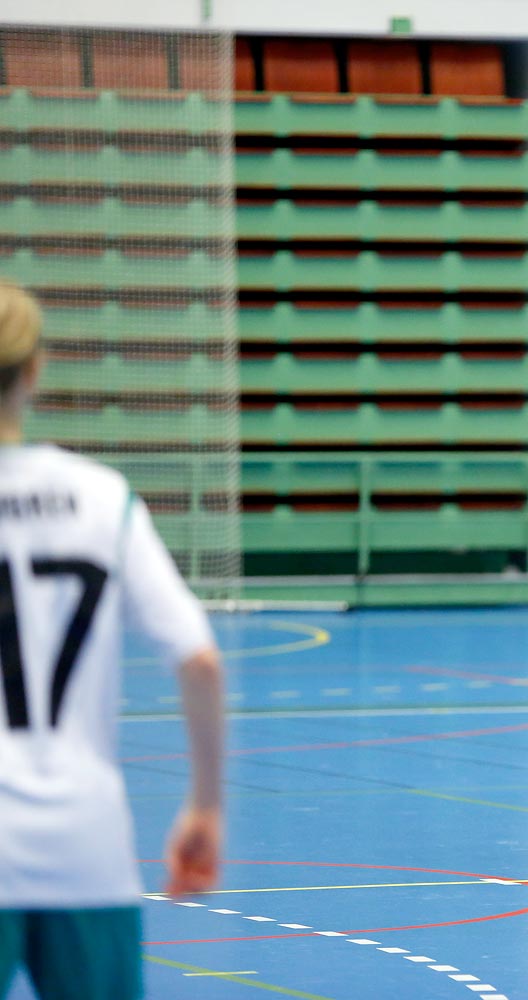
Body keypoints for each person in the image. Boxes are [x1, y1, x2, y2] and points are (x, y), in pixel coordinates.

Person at [0, 282, 226, 1000]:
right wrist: (205, 808)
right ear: (36, 370)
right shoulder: (102, 498)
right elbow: (197, 659)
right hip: (84, 846)